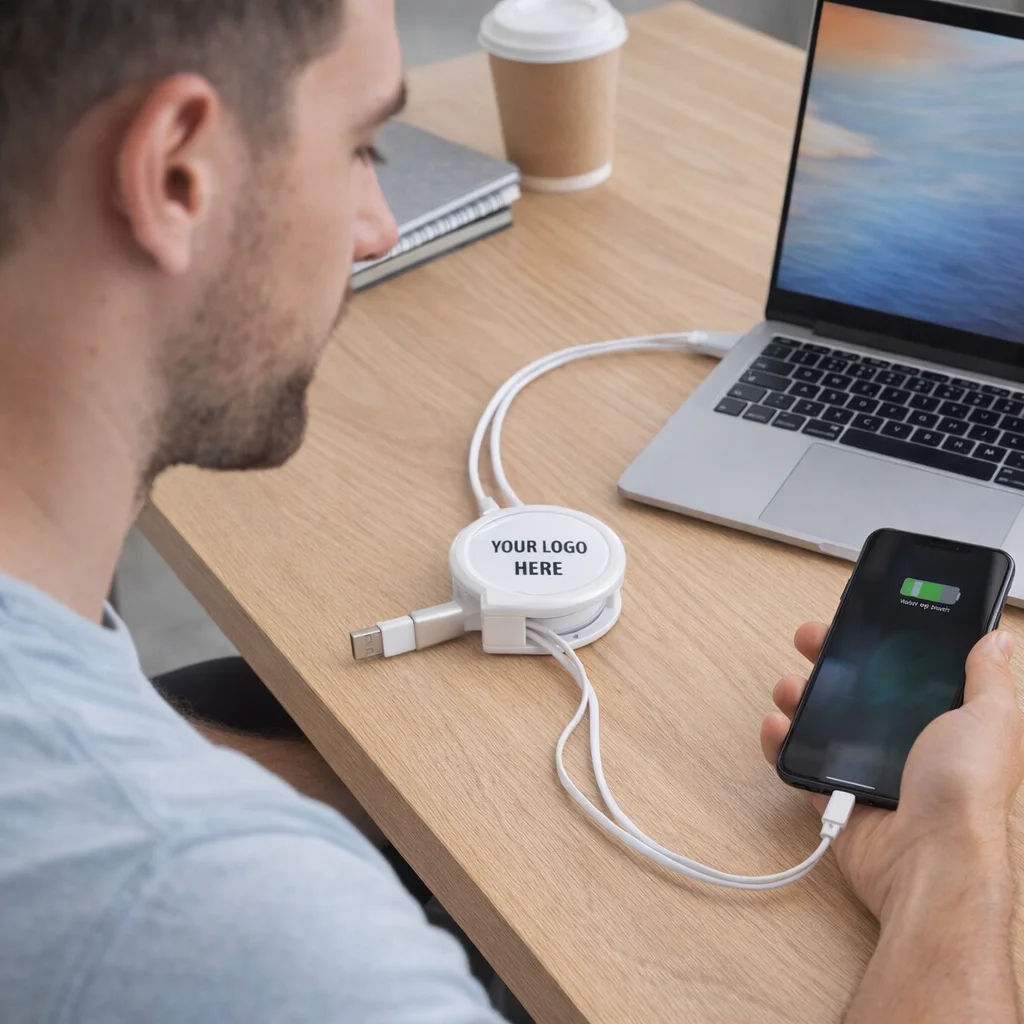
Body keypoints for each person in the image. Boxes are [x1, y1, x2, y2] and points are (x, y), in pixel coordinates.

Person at [0, 0, 1020, 1021]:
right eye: (362, 149)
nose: (379, 231)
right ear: (175, 173)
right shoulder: (287, 951)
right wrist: (952, 857)